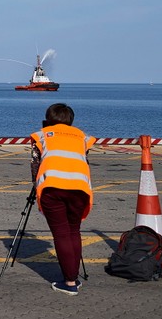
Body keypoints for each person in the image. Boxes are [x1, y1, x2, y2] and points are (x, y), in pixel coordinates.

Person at [31, 103, 94, 296]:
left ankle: (69, 282)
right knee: (74, 230)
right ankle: (73, 276)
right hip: (80, 188)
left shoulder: (41, 135)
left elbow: (35, 165)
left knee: (61, 233)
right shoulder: (82, 137)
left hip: (53, 187)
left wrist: (35, 188)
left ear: (48, 119)